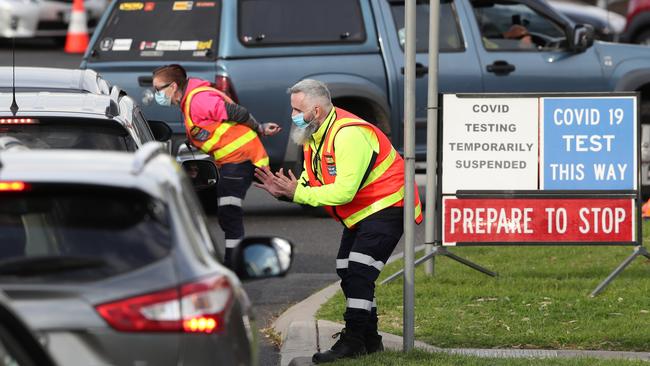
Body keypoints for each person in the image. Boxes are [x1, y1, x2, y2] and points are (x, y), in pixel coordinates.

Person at [254, 79, 422, 363]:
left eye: (298, 109)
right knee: (347, 268)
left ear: (316, 110)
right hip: (363, 211)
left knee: (359, 270)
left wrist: (298, 192)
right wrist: (287, 193)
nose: (293, 115)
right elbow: (311, 180)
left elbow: (344, 191)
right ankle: (370, 340)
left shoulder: (348, 134)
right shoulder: (314, 134)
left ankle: (354, 340)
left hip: (388, 204)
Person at [152, 64, 281, 266]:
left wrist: (260, 128)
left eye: (158, 89)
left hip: (240, 158)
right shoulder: (189, 101)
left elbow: (237, 112)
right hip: (234, 160)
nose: (155, 94)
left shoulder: (198, 99)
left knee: (229, 212)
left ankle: (234, 263)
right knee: (241, 206)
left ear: (173, 86)